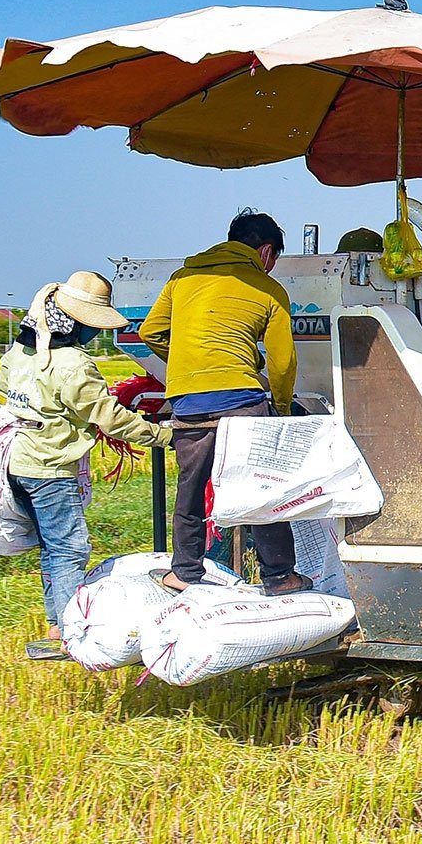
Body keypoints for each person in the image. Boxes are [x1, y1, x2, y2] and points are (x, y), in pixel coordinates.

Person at [0, 271, 173, 652]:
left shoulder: (20, 352)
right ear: (76, 324)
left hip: (21, 464)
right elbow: (109, 416)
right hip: (52, 470)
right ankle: (75, 634)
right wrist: (162, 436)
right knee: (70, 549)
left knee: (52, 548)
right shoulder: (74, 363)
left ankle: (58, 627)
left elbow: (1, 387)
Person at [139, 210, 300, 594]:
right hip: (242, 402)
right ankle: (279, 576)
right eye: (274, 258)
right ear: (265, 251)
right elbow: (283, 363)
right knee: (261, 488)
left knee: (191, 490)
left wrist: (187, 370)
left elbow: (151, 331)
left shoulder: (182, 278)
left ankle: (184, 572)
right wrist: (280, 406)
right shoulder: (268, 290)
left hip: (188, 404)